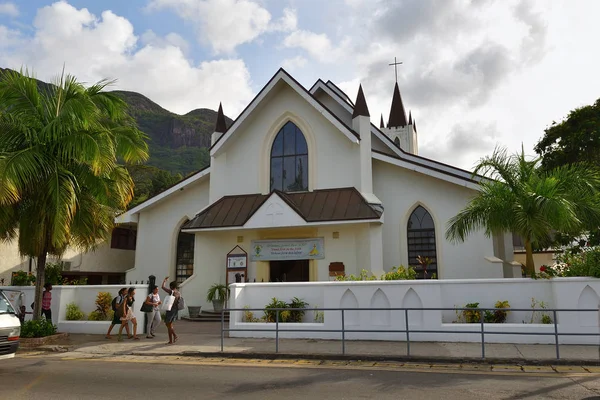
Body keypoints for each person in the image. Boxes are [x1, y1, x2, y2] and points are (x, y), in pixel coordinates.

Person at [161, 276, 181, 345]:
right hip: (175, 310)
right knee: (169, 324)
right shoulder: (178, 293)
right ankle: (174, 337)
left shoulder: (171, 291)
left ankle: (172, 339)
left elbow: (162, 287)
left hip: (170, 309)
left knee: (168, 324)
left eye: (170, 286)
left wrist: (164, 280)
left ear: (172, 286)